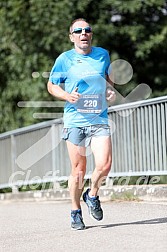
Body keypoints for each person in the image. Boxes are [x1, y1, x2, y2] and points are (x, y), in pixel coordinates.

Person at [47, 18, 115, 230]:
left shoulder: (102, 54)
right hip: (75, 120)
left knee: (104, 165)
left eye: (87, 30)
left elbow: (107, 77)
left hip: (99, 117)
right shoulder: (64, 59)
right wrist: (67, 95)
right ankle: (75, 211)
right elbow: (51, 85)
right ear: (72, 36)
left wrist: (109, 89)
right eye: (78, 31)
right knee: (78, 170)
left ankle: (92, 194)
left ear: (91, 35)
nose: (83, 33)